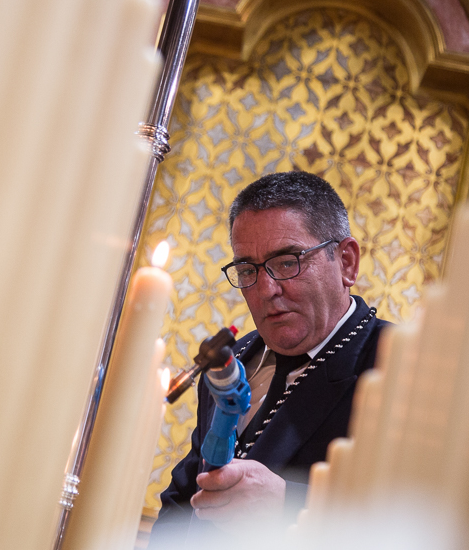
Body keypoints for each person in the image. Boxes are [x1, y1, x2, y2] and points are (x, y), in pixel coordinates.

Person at [149, 171, 390, 547]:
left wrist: (290, 506)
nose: (266, 289)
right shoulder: (230, 362)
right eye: (248, 270)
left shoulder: (400, 365)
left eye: (288, 261)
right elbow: (185, 494)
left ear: (346, 262)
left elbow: (432, 515)